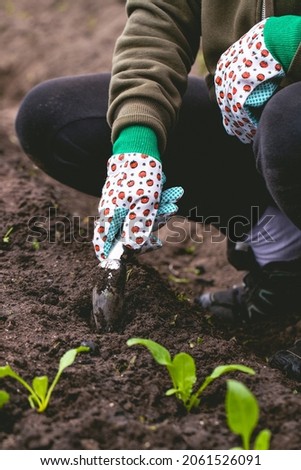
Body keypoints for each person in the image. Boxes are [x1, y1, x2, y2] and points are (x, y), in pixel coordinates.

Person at [14, 0, 301, 379]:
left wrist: (290, 39)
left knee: (287, 126)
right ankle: (280, 249)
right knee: (53, 117)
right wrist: (136, 146)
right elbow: (160, 15)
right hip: (243, 118)